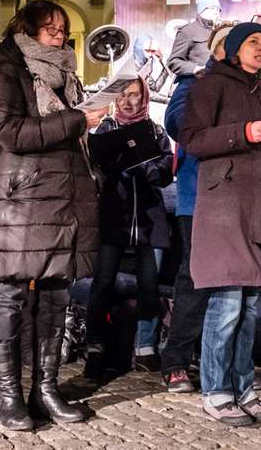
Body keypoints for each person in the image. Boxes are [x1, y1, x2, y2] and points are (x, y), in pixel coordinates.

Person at [0, 0, 106, 430]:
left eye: (63, 28)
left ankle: (46, 388)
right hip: (22, 198)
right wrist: (76, 120)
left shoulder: (67, 75)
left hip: (64, 196)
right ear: (28, 30)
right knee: (10, 293)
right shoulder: (8, 72)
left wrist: (84, 120)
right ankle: (9, 395)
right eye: (50, 27)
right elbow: (9, 133)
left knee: (56, 295)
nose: (59, 34)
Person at [180, 22, 261, 427]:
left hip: (258, 209)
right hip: (225, 208)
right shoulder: (210, 86)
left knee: (249, 308)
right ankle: (216, 391)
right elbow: (192, 139)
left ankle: (244, 388)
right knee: (226, 305)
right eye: (253, 42)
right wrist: (243, 132)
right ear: (232, 49)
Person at [159, 22, 234, 393]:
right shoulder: (194, 83)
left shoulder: (245, 87)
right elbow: (175, 124)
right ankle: (175, 361)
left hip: (235, 196)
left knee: (229, 282)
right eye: (227, 46)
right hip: (197, 196)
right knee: (192, 279)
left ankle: (218, 361)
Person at [84, 78, 173, 377]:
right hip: (113, 218)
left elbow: (165, 171)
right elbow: (94, 167)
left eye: (134, 95)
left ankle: (145, 348)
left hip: (150, 220)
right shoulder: (105, 129)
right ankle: (95, 346)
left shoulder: (156, 131)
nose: (128, 101)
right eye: (122, 95)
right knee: (102, 284)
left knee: (150, 286)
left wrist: (143, 166)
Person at [167, 0, 222, 79]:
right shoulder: (188, 31)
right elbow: (173, 61)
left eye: (218, 9)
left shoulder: (221, 31)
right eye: (212, 8)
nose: (216, 12)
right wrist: (195, 69)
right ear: (201, 11)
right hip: (196, 82)